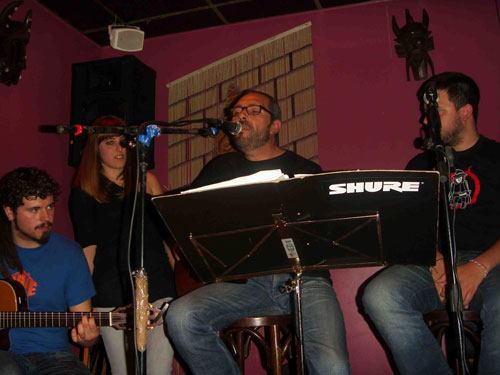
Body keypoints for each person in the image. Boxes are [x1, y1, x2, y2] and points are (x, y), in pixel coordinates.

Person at [166, 89, 351, 375]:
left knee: (332, 366)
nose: (241, 115)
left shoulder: (305, 169)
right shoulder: (220, 168)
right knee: (180, 316)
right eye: (237, 111)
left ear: (275, 126)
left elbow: (327, 234)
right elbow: (186, 215)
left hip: (305, 280)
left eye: (253, 110)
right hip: (244, 284)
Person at [362, 72, 500, 375]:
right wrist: (436, 259)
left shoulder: (497, 157)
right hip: (432, 267)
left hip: (492, 264)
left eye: (435, 112)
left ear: (466, 112)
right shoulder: (419, 166)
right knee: (379, 295)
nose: (425, 121)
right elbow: (406, 227)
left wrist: (477, 267)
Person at [69, 115, 176, 375]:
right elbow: (88, 251)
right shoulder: (84, 192)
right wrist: (87, 306)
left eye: (123, 142)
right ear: (95, 148)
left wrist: (180, 283)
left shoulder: (147, 180)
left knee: (159, 370)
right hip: (111, 293)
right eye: (110, 142)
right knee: (125, 371)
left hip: (158, 285)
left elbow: (167, 239)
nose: (119, 149)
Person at [0, 167, 98, 375]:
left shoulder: (70, 254)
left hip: (54, 358)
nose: (46, 217)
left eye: (50, 207)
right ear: (10, 212)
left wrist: (89, 337)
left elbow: (84, 322)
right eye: (35, 209)